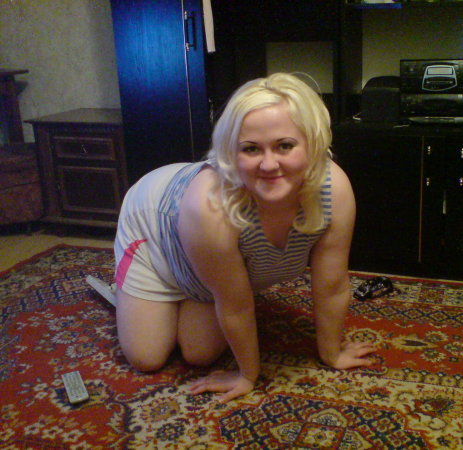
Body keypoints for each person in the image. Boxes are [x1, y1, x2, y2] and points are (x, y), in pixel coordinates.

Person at [113, 72, 376, 403]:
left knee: (199, 354)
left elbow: (332, 285)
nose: (269, 164)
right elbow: (235, 305)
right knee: (146, 357)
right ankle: (131, 288)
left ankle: (198, 286)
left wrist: (332, 353)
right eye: (251, 149)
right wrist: (247, 374)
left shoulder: (333, 189)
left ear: (313, 143)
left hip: (205, 256)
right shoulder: (209, 206)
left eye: (285, 145)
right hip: (156, 233)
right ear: (230, 152)